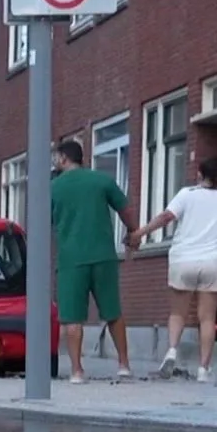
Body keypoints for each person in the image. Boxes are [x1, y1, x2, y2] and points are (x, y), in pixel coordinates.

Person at [127, 154, 217, 383]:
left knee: (178, 313)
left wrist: (140, 233)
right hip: (213, 260)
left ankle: (172, 352)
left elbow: (166, 217)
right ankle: (204, 370)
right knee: (207, 318)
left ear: (199, 174)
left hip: (184, 258)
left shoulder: (187, 194)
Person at [50, 139, 138, 383]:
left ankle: (77, 371)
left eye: (56, 157)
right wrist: (133, 232)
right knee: (113, 311)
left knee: (72, 317)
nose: (55, 161)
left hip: (70, 259)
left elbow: (43, 220)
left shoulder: (53, 187)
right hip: (103, 256)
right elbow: (125, 210)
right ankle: (123, 365)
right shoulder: (102, 181)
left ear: (64, 158)